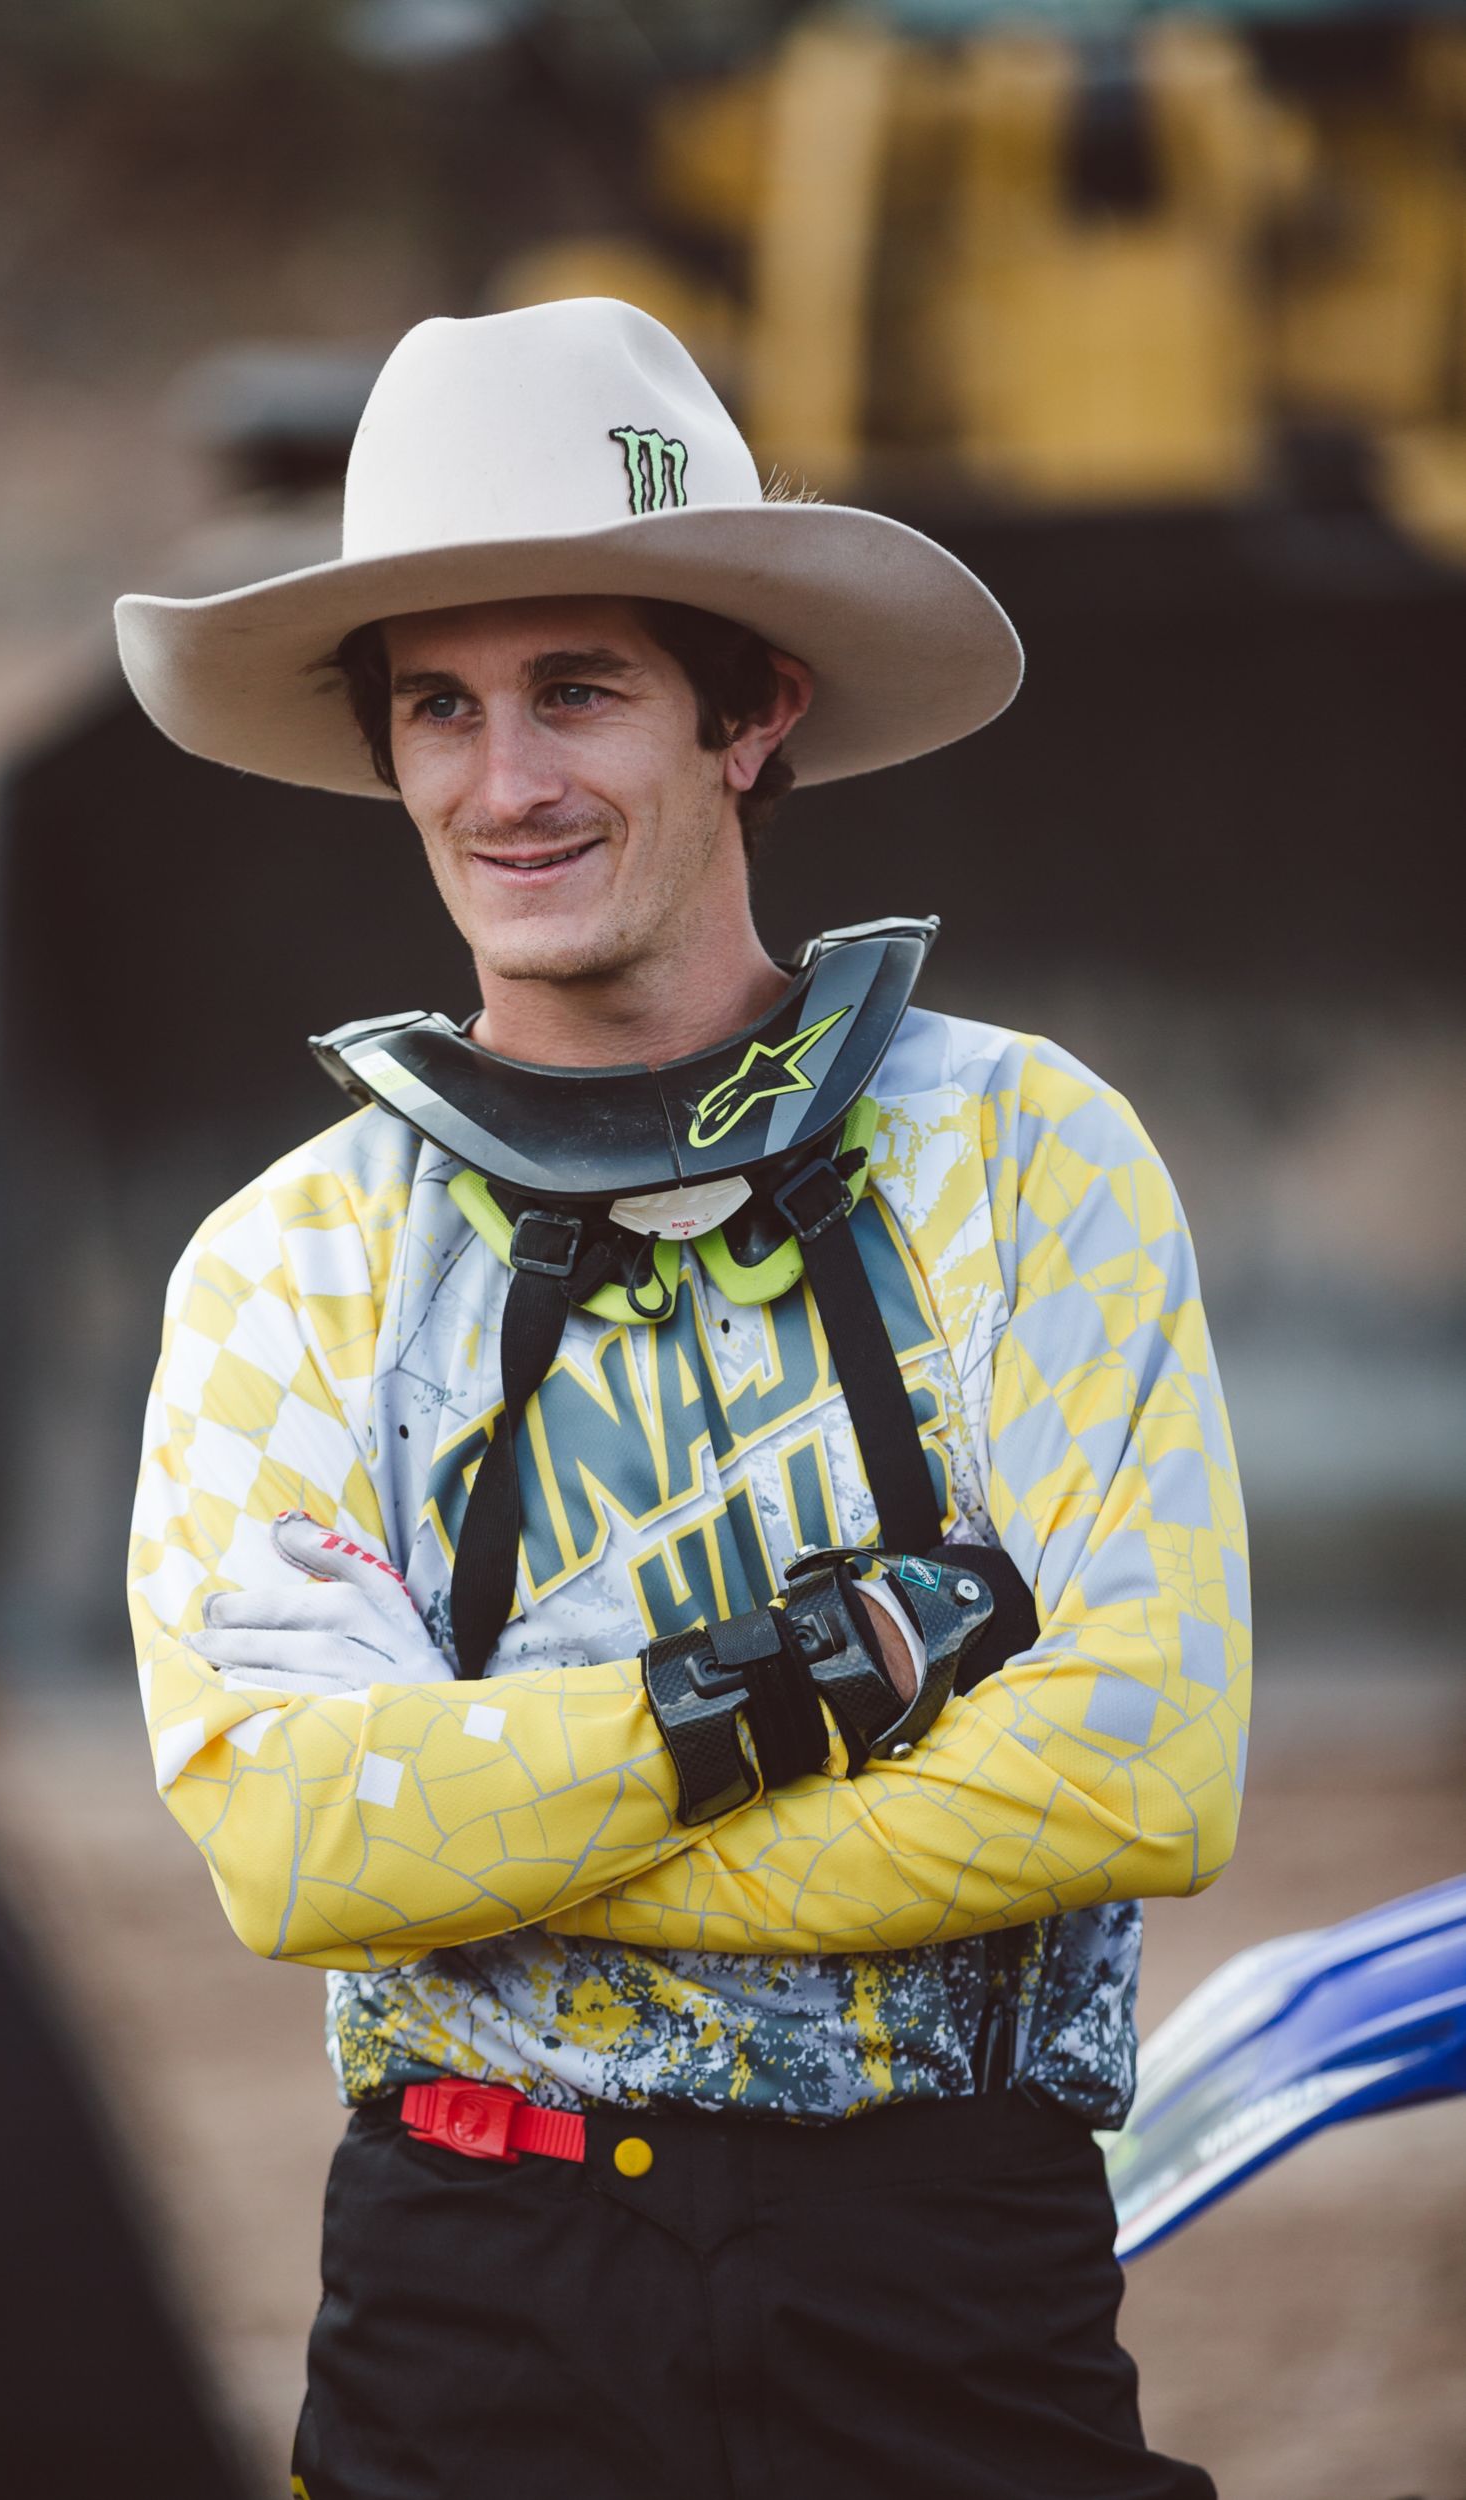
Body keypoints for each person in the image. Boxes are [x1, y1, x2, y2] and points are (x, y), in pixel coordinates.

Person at [116, 297, 1249, 2500]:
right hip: (472, 2278)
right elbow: (285, 1840)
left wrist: (489, 1840)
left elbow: (1142, 1769)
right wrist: (810, 1683)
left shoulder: (1035, 1155)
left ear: (753, 707)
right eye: (436, 705)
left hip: (949, 2262)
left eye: (579, 689)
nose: (504, 779)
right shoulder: (286, 1264)